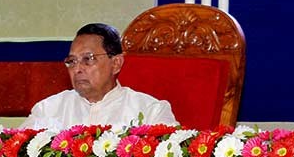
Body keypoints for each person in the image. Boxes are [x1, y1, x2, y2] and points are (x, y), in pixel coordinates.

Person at [21, 23, 177, 130]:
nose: (77, 69)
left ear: (116, 63)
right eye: (72, 61)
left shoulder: (151, 112)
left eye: (88, 59)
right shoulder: (48, 110)